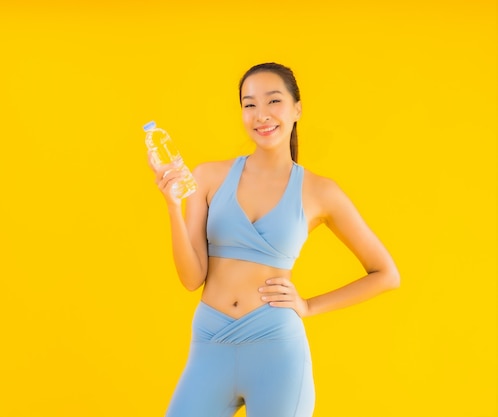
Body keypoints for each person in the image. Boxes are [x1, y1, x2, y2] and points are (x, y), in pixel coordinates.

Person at [148, 62, 400, 417]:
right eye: (249, 104)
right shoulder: (207, 176)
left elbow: (386, 274)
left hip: (276, 349)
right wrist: (173, 206)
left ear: (297, 109)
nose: (261, 115)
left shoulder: (319, 191)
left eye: (273, 101)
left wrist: (309, 306)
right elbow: (191, 278)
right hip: (210, 342)